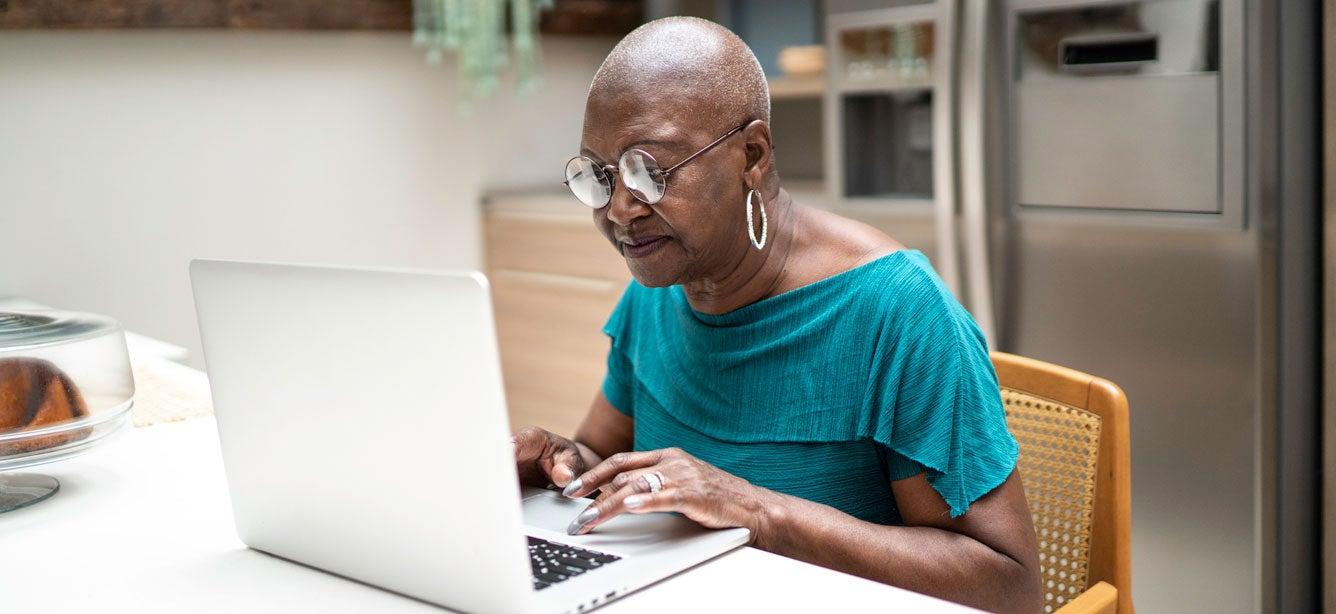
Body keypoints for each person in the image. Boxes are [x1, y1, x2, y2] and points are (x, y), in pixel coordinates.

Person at [513, 16, 1042, 613]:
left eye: (649, 170)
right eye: (600, 176)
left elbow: (1010, 588)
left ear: (753, 155)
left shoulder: (895, 310)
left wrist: (756, 510)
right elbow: (604, 455)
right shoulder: (656, 286)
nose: (620, 210)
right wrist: (560, 464)